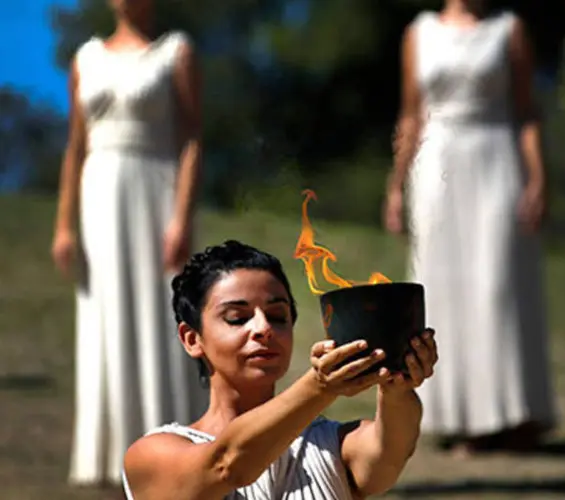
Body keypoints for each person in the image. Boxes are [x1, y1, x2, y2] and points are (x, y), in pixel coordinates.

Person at [120, 240, 438, 499]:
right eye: (237, 318)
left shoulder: (333, 445)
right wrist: (320, 386)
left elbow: (391, 451)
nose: (263, 329)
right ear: (192, 339)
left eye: (277, 316)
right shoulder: (151, 455)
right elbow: (227, 466)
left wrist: (398, 384)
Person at [383, 0, 556, 454]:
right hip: (436, 164)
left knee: (496, 286)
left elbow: (527, 112)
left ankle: (508, 416)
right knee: (442, 287)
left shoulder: (507, 29)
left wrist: (537, 176)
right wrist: (396, 185)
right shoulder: (419, 33)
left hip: (496, 159)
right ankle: (454, 417)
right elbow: (410, 114)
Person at [50, 0, 205, 489]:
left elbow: (192, 138)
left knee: (163, 317)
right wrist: (64, 225)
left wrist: (181, 215)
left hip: (155, 194)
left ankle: (172, 451)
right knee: (106, 320)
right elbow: (76, 145)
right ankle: (113, 455)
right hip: (100, 201)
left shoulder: (175, 53)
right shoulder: (86, 58)